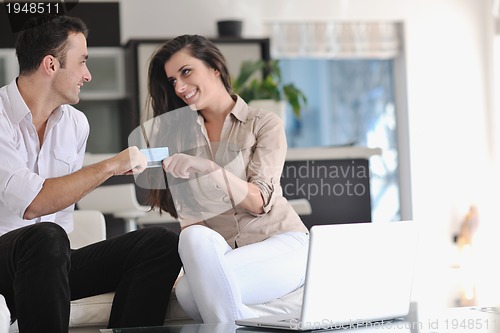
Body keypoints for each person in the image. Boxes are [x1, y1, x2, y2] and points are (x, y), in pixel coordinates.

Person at [0, 15, 182, 332]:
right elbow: (33, 204)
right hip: (7, 260)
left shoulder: (75, 124)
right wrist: (111, 165)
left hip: (51, 259)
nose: (88, 74)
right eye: (82, 62)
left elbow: (61, 219)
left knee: (161, 244)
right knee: (45, 238)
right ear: (51, 65)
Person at [145, 35, 309, 323]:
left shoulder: (263, 123)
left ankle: (230, 320)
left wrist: (209, 168)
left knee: (196, 295)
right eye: (172, 81)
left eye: (186, 72)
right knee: (188, 285)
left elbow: (259, 202)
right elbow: (192, 223)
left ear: (214, 68)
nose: (180, 87)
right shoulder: (178, 139)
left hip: (281, 241)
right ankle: (248, 319)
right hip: (225, 256)